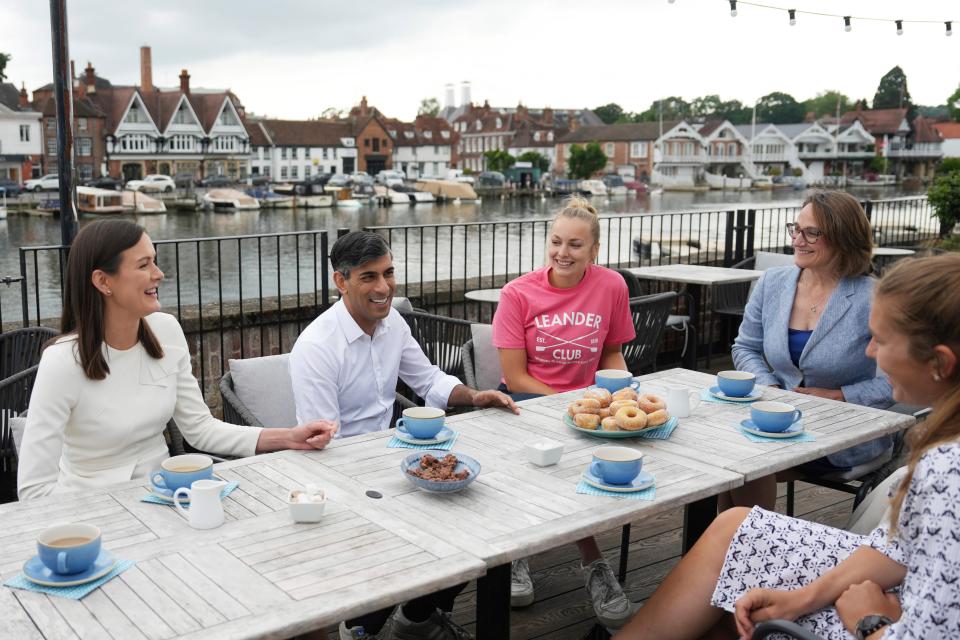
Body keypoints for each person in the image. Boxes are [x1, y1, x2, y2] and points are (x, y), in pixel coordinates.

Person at [616, 253, 960, 639]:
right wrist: (801, 598)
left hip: (883, 619)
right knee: (735, 528)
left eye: (880, 340)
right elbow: (895, 547)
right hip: (894, 588)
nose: (869, 352)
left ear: (940, 362)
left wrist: (870, 620)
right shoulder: (945, 445)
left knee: (728, 596)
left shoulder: (949, 471)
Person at [289, 230, 517, 640]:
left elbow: (427, 379)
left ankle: (415, 618)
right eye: (369, 277)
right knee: (440, 528)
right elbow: (323, 445)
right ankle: (360, 626)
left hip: (394, 461)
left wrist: (477, 396)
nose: (384, 287)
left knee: (486, 520)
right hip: (344, 474)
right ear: (340, 282)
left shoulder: (391, 320)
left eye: (389, 273)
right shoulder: (317, 347)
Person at [18, 220, 338, 501]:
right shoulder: (61, 362)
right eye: (144, 265)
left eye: (154, 262)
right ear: (103, 282)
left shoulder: (166, 330)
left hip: (167, 498)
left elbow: (199, 429)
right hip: (92, 515)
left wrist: (289, 437)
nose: (159, 274)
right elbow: (34, 490)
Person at [491, 196, 637, 629]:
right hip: (528, 404)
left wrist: (621, 388)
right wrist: (568, 406)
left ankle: (540, 553)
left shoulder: (612, 286)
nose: (562, 253)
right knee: (566, 464)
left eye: (575, 245)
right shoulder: (517, 293)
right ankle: (581, 562)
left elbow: (612, 352)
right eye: (556, 242)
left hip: (587, 406)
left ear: (594, 251)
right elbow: (515, 377)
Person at [726, 190, 893, 510]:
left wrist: (839, 395)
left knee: (748, 465)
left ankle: (749, 550)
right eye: (795, 228)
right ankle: (734, 551)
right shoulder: (772, 282)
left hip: (844, 432)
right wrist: (771, 387)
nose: (797, 240)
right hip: (773, 421)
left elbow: (895, 383)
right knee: (729, 458)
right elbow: (745, 346)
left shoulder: (873, 297)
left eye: (812, 232)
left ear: (844, 238)